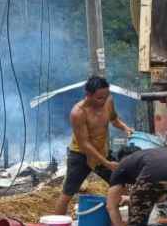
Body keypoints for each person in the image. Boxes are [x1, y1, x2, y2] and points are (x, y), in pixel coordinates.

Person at [54, 76, 134, 216]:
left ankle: (132, 222)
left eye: (106, 96)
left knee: (122, 185)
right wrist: (107, 163)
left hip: (102, 152)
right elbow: (84, 144)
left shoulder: (108, 101)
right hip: (80, 156)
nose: (103, 101)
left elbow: (114, 119)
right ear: (88, 95)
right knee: (67, 194)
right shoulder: (78, 113)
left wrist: (125, 128)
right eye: (99, 98)